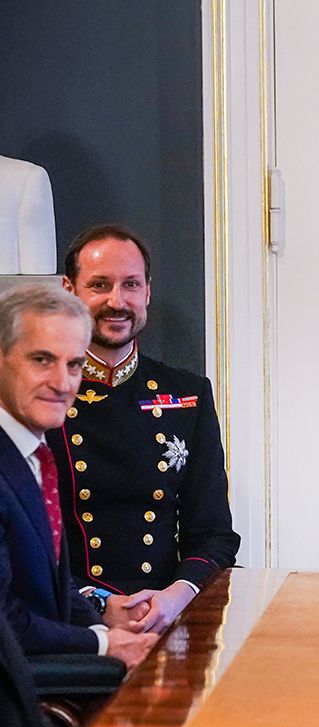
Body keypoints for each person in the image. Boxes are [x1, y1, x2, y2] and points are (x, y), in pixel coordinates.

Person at [48, 225, 240, 634]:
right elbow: (22, 545)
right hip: (69, 617)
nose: (117, 302)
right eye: (100, 285)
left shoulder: (188, 394)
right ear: (69, 291)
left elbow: (214, 535)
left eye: (131, 285)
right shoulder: (41, 395)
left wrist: (174, 597)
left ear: (148, 292)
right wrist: (96, 604)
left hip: (167, 616)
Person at [0, 284, 157, 666]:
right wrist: (103, 645)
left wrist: (113, 633)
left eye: (73, 365)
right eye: (42, 360)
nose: (62, 384)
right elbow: (6, 621)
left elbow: (54, 590)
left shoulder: (33, 454)